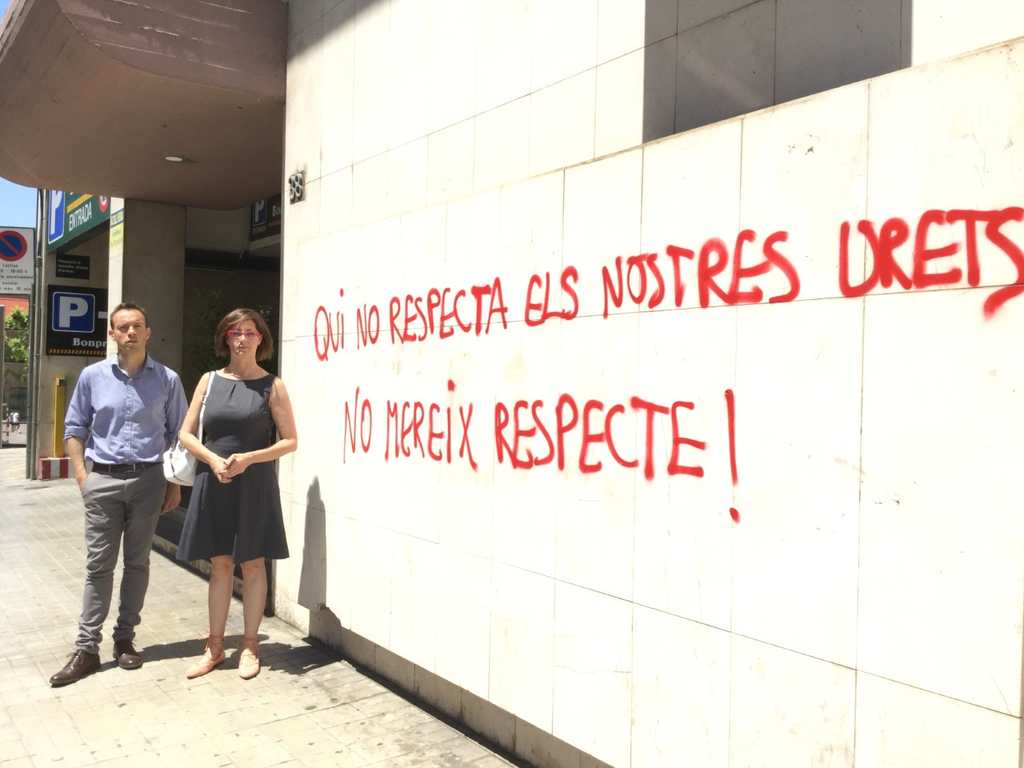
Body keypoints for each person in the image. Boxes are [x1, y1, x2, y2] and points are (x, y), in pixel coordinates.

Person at [50, 302, 187, 687]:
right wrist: (82, 476)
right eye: (122, 327)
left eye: (137, 327)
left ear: (147, 332)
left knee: (138, 563)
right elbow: (74, 428)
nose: (130, 333)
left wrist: (173, 483)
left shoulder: (167, 380)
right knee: (98, 567)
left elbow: (179, 435)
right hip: (103, 481)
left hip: (149, 481)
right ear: (111, 333)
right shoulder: (92, 377)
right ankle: (86, 648)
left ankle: (125, 639)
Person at [176, 308, 297, 680]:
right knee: (221, 564)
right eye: (235, 332)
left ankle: (250, 646)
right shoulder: (208, 381)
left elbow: (290, 441)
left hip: (254, 483)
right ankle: (214, 647)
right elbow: (186, 433)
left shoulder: (272, 386)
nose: (242, 338)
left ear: (262, 338)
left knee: (254, 564)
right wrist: (212, 460)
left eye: (250, 332)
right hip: (215, 481)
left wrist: (249, 459)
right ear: (226, 339)